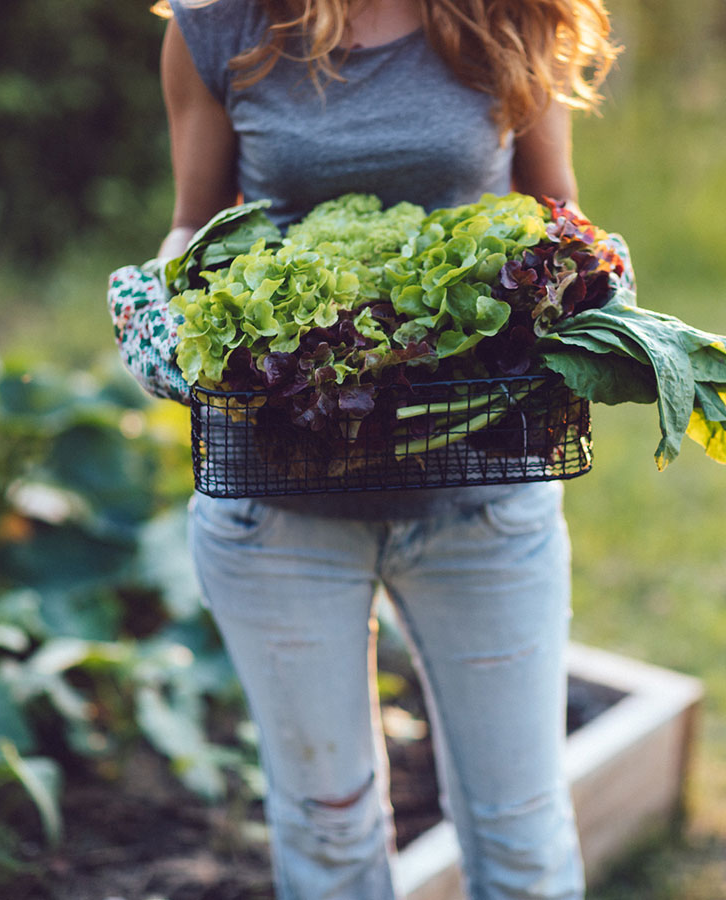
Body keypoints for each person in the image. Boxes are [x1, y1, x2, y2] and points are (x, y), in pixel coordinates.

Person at [153, 1, 620, 898]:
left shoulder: (509, 13)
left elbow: (555, 212)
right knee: (327, 837)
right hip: (279, 500)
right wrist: (161, 306)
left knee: (521, 837)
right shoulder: (217, 29)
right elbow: (194, 228)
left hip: (482, 487)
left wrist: (594, 277)